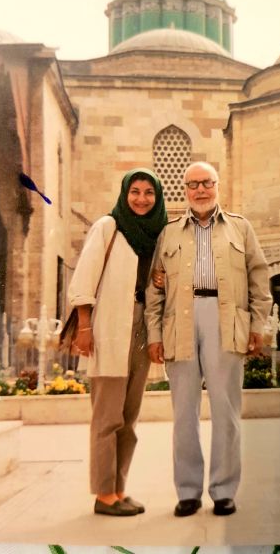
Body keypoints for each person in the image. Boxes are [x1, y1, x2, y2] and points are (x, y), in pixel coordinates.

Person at [145, 162, 272, 517]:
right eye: (193, 184)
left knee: (225, 410)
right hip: (180, 321)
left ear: (217, 185)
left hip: (226, 320)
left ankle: (224, 490)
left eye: (206, 183)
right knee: (184, 413)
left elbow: (259, 280)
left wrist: (257, 326)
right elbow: (154, 290)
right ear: (184, 190)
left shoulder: (240, 228)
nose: (200, 190)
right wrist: (154, 334)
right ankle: (187, 491)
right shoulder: (169, 233)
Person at [68, 168, 167, 517]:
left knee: (129, 418)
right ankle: (104, 494)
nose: (142, 199)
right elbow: (84, 278)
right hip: (109, 328)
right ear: (125, 194)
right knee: (107, 416)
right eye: (135, 191)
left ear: (157, 197)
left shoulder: (159, 234)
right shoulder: (108, 227)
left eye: (149, 193)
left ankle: (119, 489)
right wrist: (84, 326)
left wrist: (162, 279)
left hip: (142, 328)